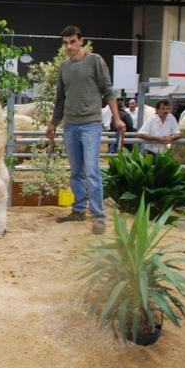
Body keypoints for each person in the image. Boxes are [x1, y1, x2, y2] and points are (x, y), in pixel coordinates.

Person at [46, 25, 126, 235]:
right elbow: (60, 98)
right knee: (76, 172)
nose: (69, 46)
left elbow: (108, 90)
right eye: (65, 43)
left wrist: (117, 118)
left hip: (91, 124)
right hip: (70, 125)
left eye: (72, 41)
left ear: (81, 41)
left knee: (92, 171)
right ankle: (79, 210)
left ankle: (99, 216)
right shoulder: (64, 67)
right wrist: (53, 123)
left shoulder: (95, 61)